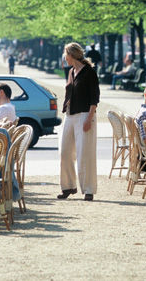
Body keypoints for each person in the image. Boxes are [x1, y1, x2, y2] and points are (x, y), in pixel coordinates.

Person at [58, 42, 100, 201]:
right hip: (69, 115)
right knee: (65, 152)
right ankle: (69, 186)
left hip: (84, 114)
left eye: (65, 55)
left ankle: (88, 189)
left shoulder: (89, 72)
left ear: (72, 54)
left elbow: (94, 97)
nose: (64, 58)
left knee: (85, 154)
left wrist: (89, 118)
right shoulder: (71, 72)